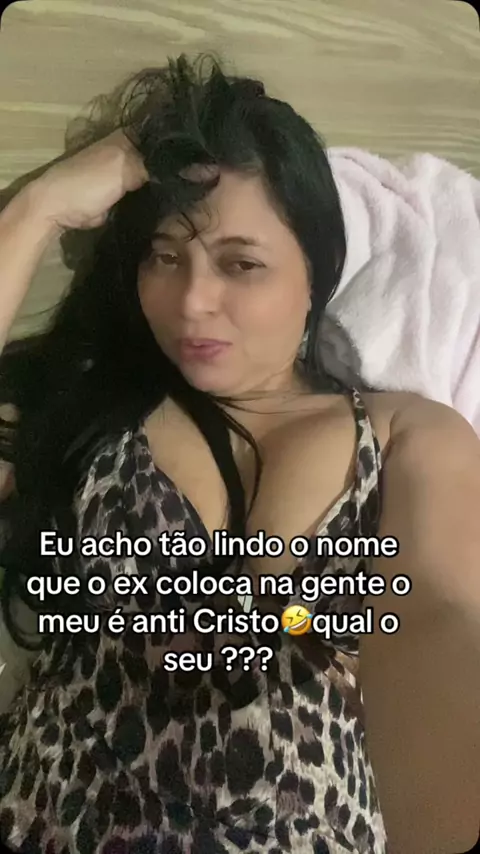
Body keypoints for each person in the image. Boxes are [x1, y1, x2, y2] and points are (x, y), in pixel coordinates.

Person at [0, 53, 479, 854]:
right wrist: (37, 211)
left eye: (241, 264)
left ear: (314, 276)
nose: (192, 301)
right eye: (165, 255)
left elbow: (439, 610)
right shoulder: (87, 409)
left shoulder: (405, 434)